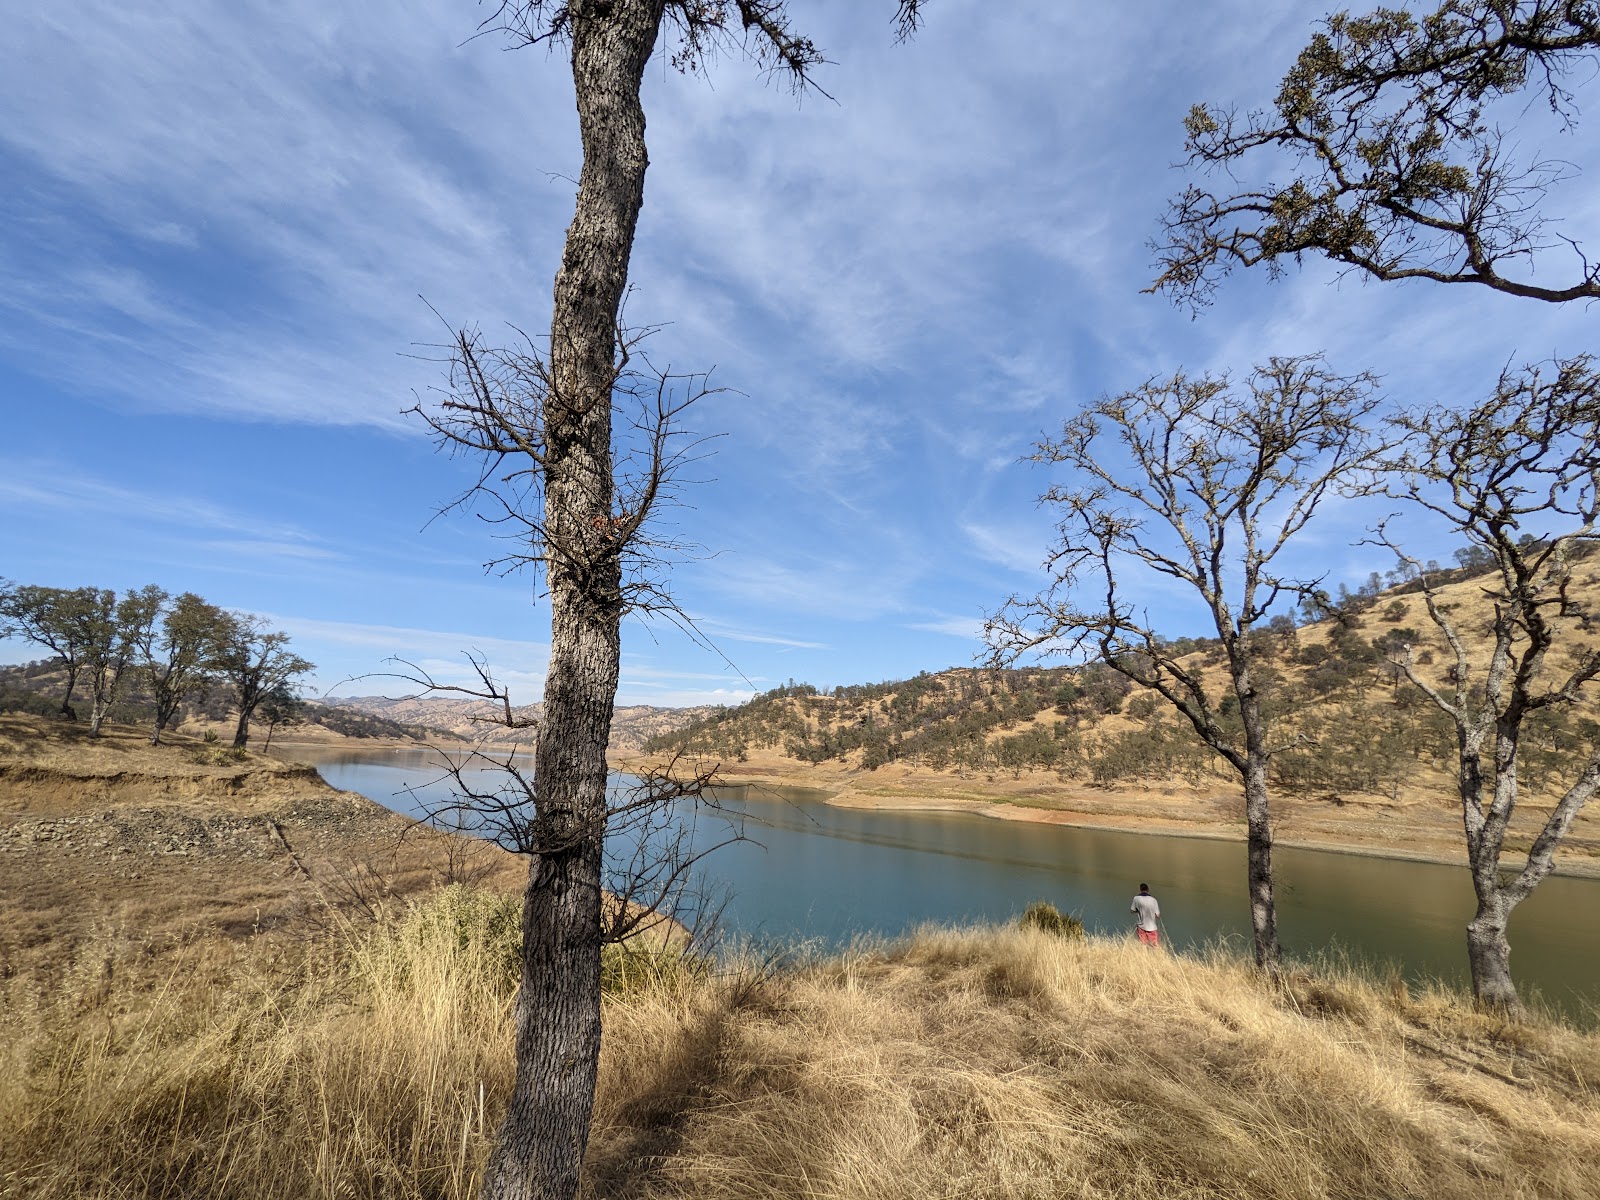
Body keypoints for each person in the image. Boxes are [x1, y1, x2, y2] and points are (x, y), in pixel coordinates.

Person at [1130, 882, 1161, 947]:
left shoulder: (1136, 898)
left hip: (1141, 927)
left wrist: (1139, 910)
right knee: (1155, 946)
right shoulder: (1153, 900)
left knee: (1143, 945)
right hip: (1152, 927)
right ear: (1148, 890)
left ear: (1140, 889)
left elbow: (1132, 910)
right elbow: (1158, 915)